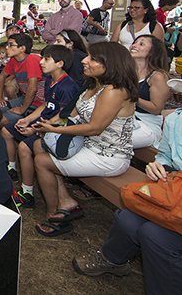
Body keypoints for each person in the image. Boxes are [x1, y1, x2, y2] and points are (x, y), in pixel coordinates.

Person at [73, 71, 182, 295]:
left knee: (156, 236)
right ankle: (113, 260)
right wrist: (159, 166)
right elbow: (165, 156)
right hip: (181, 201)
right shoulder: (178, 122)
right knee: (129, 218)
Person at [32, 42, 138, 237]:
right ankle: (65, 200)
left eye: (92, 59)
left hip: (108, 154)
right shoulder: (93, 83)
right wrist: (48, 125)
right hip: (87, 143)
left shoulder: (114, 90)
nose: (84, 60)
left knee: (41, 161)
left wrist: (54, 129)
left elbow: (95, 128)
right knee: (40, 145)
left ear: (110, 63)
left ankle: (53, 214)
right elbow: (70, 113)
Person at [1, 45, 79, 209]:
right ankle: (17, 177)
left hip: (52, 132)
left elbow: (65, 116)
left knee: (24, 147)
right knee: (7, 130)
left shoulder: (67, 86)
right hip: (43, 125)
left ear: (60, 63)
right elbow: (46, 104)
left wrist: (37, 129)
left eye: (46, 59)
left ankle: (28, 192)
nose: (41, 62)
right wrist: (27, 119)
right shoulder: (51, 80)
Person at [0, 33, 45, 126]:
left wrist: (22, 109)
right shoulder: (14, 60)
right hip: (25, 99)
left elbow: (33, 88)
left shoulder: (32, 59)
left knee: (2, 120)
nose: (7, 48)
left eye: (11, 45)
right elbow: (2, 76)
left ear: (22, 48)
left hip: (40, 104)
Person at [129, 35, 170, 148]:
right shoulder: (128, 71)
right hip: (126, 119)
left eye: (141, 44)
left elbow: (156, 109)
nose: (134, 46)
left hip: (147, 124)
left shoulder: (157, 77)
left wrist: (132, 97)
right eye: (135, 42)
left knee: (109, 137)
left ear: (152, 52)